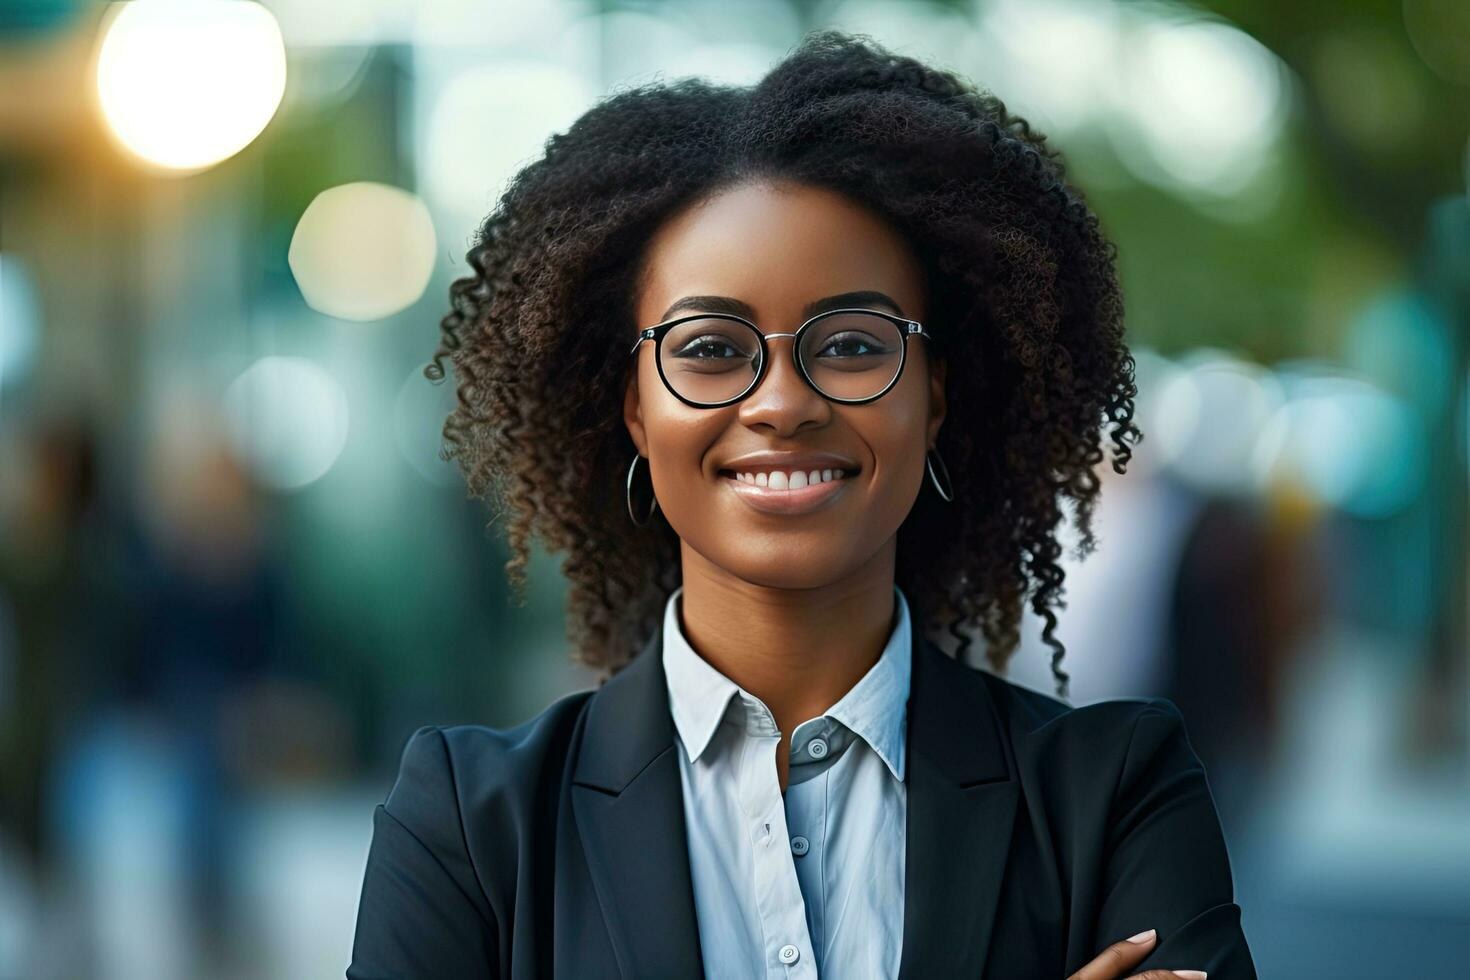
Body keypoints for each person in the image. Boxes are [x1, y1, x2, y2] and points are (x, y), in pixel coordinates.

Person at [347, 30, 1256, 980]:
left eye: (855, 345)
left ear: (934, 394)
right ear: (634, 408)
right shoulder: (470, 822)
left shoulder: (1111, 795)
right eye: (708, 349)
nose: (782, 402)